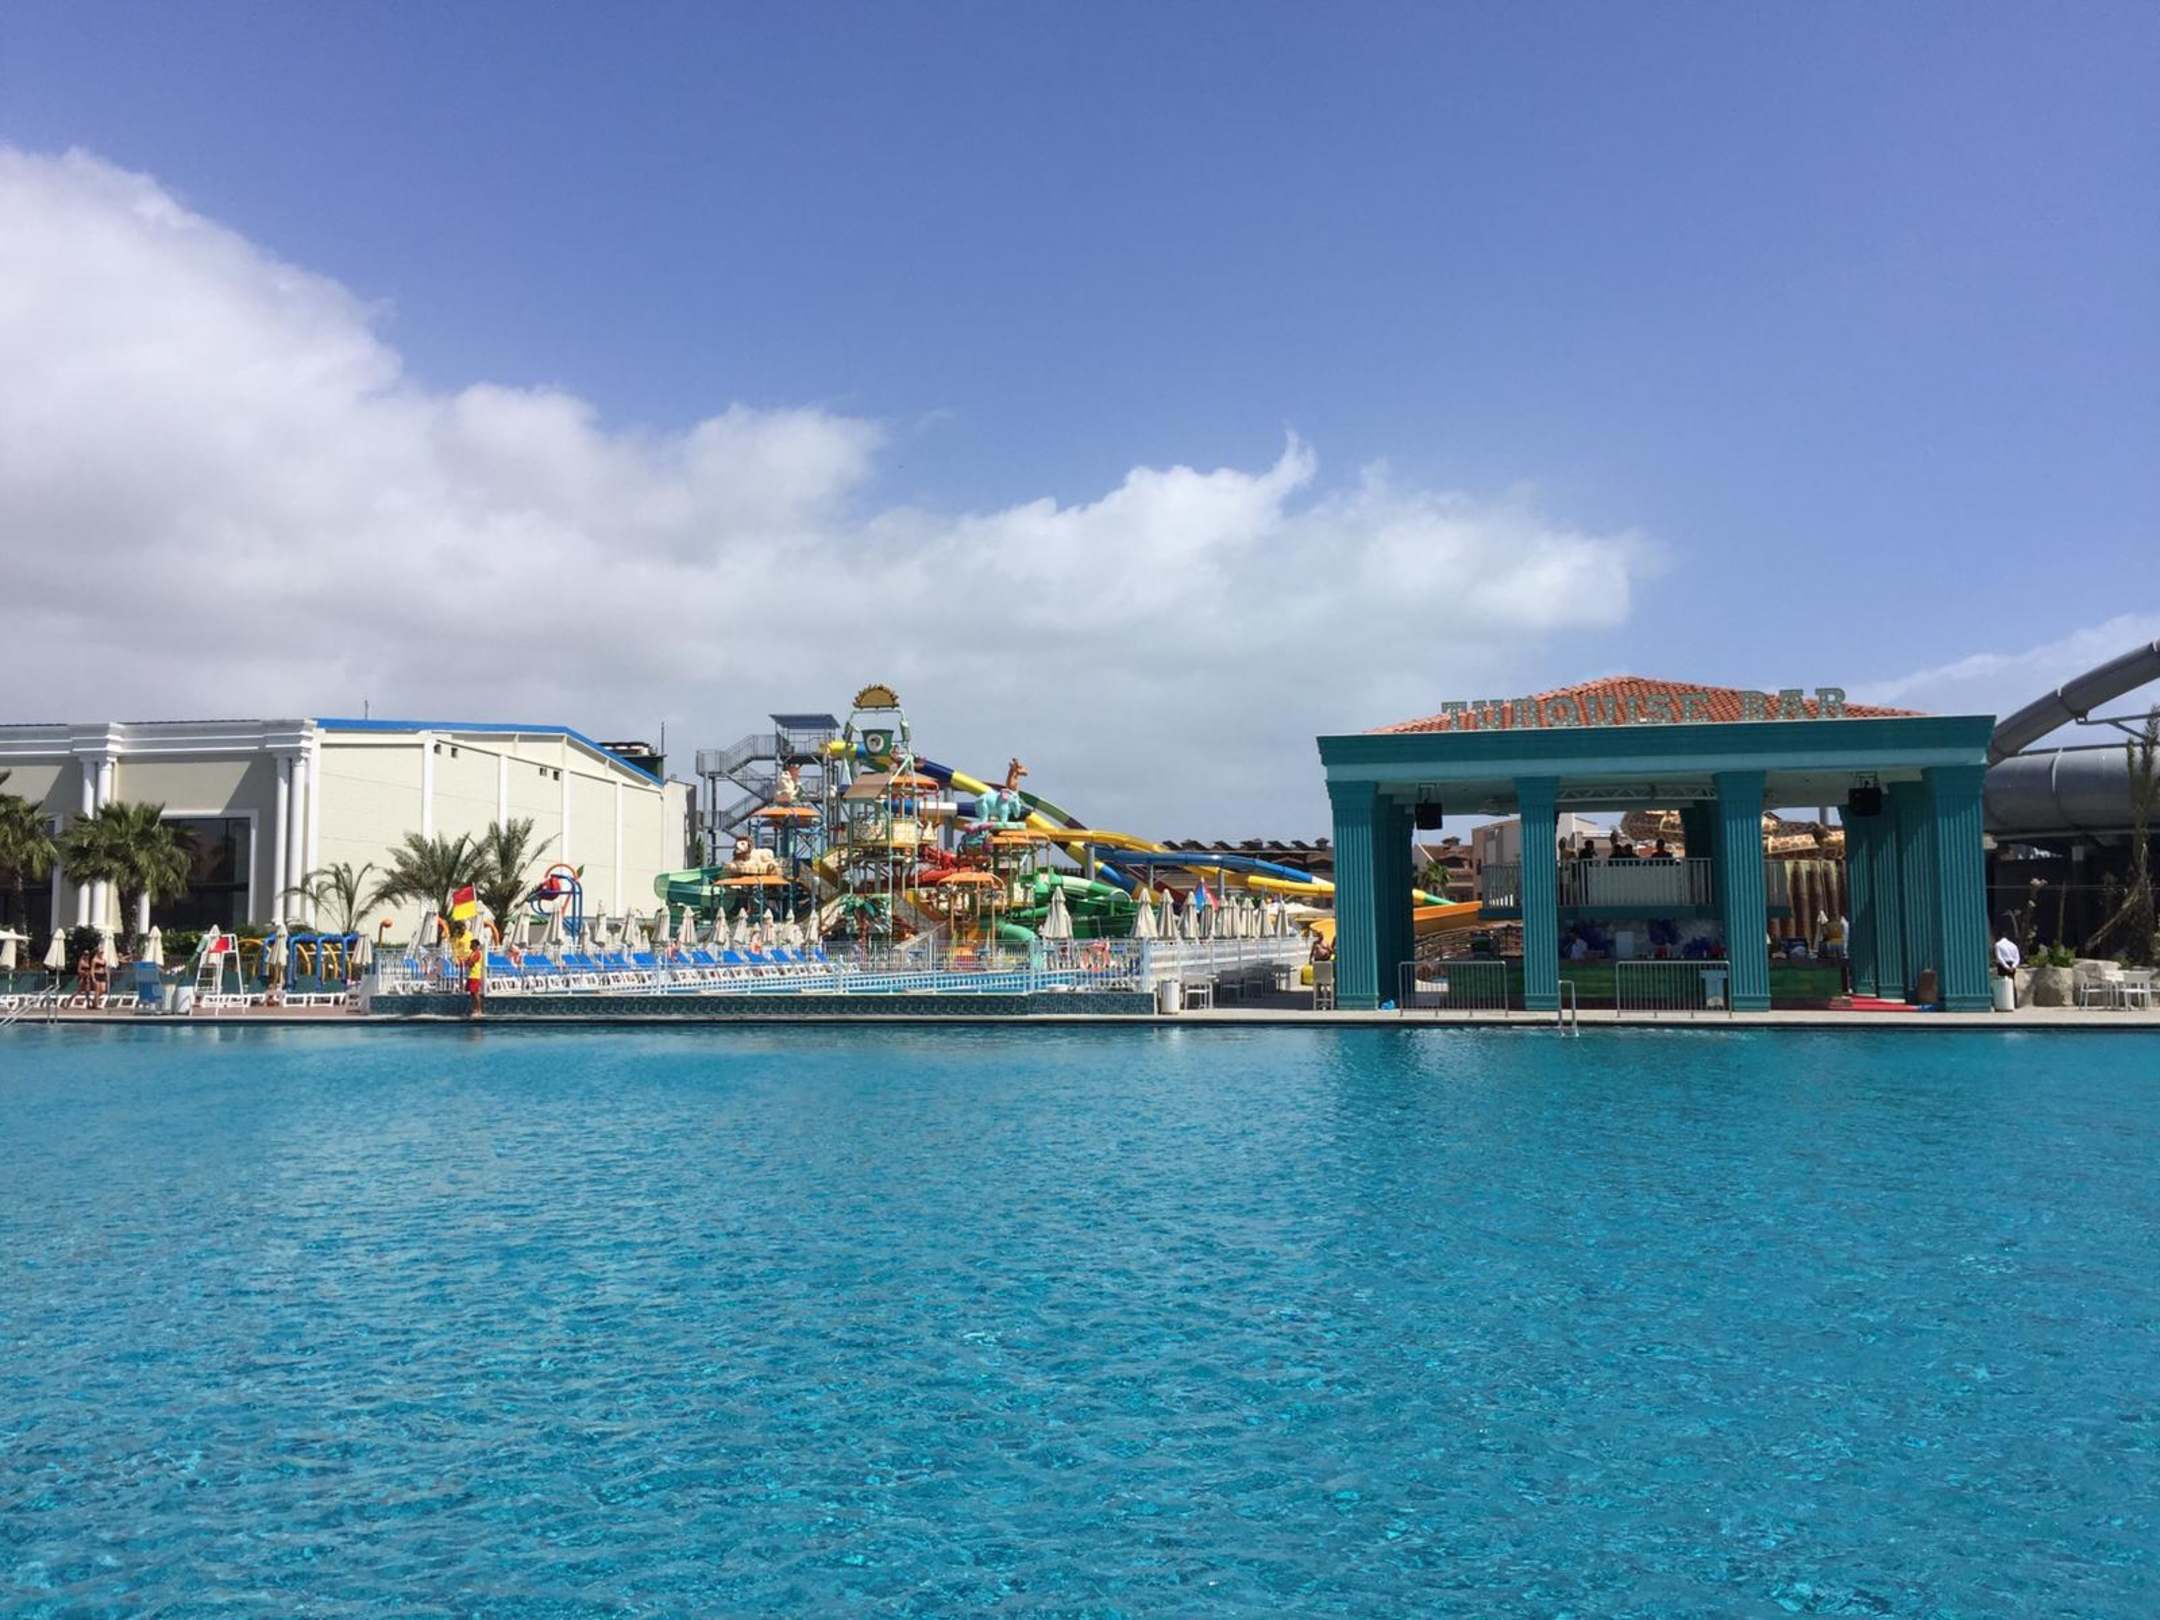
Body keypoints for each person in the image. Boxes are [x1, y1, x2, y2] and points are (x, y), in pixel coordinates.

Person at [465, 933, 487, 1018]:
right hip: (471, 975)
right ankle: (474, 1009)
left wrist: (469, 962)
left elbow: (471, 963)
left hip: (475, 975)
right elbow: (467, 962)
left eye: (472, 944)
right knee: (472, 993)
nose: (470, 946)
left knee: (475, 993)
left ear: (475, 945)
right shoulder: (472, 953)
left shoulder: (478, 953)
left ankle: (479, 1010)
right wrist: (468, 962)